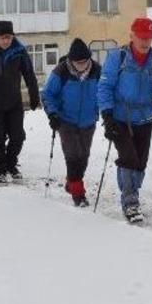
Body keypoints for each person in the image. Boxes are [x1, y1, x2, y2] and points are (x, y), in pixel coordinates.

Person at [97, 17, 152, 223]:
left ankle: (132, 190)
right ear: (132, 36)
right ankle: (130, 202)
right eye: (141, 37)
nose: (145, 42)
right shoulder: (118, 58)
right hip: (119, 117)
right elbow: (105, 87)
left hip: (145, 118)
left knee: (140, 163)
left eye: (149, 38)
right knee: (129, 158)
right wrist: (107, 115)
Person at [0, 20, 40, 183]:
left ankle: (11, 164)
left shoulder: (19, 51)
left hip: (14, 103)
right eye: (3, 38)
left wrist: (34, 95)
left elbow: (29, 74)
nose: (6, 41)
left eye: (9, 37)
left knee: (18, 137)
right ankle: (0, 170)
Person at [41, 38, 101, 207]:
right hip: (65, 120)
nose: (82, 65)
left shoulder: (97, 70)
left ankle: (71, 182)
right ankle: (78, 194)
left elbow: (105, 91)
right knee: (73, 156)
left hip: (88, 120)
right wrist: (52, 114)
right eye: (78, 62)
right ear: (71, 60)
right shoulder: (61, 72)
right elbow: (48, 94)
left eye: (85, 61)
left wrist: (106, 111)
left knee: (84, 156)